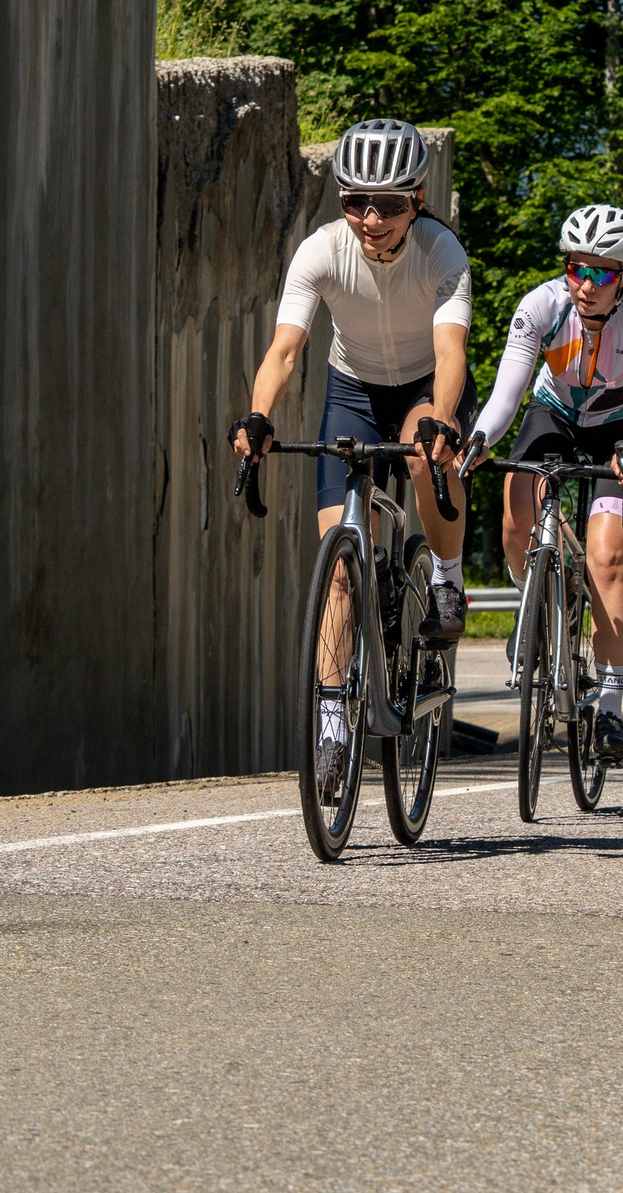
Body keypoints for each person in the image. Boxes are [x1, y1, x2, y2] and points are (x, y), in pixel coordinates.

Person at [232, 119, 473, 795]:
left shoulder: (442, 252)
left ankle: (448, 579)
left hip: (427, 385)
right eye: (356, 201)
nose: (372, 218)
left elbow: (451, 352)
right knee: (338, 565)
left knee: (427, 453)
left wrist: (442, 422)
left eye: (391, 204)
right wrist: (260, 416)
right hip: (354, 390)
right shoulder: (319, 251)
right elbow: (285, 350)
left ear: (418, 200)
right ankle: (334, 722)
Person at [463, 205, 623, 767]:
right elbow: (507, 393)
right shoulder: (541, 305)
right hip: (552, 415)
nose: (584, 285)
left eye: (600, 273)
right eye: (575, 269)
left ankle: (609, 702)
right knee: (515, 522)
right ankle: (531, 600)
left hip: (619, 427)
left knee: (607, 559)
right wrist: (481, 436)